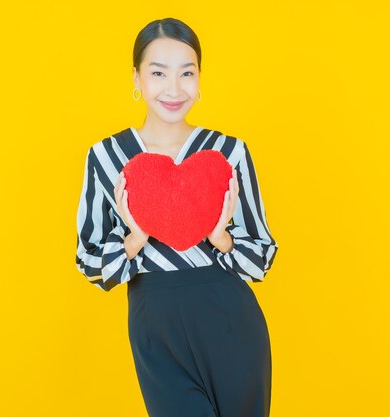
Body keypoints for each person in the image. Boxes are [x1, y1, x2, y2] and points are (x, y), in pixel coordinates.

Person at [75, 17, 279, 417]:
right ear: (136, 79)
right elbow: (88, 261)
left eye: (187, 73)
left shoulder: (228, 152)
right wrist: (134, 239)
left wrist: (223, 238)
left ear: (200, 80)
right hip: (156, 324)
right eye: (158, 73)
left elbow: (263, 255)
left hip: (230, 319)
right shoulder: (105, 157)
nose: (174, 88)